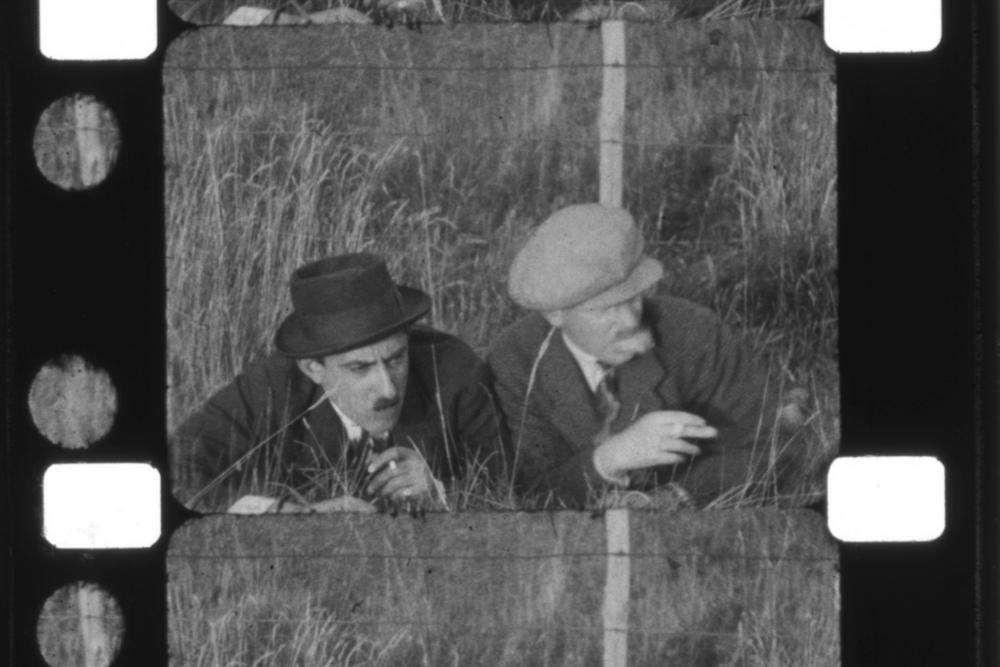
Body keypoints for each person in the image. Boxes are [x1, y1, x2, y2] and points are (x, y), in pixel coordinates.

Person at [487, 204, 807, 508]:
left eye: (634, 298)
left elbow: (773, 447)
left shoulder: (694, 334)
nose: (630, 320)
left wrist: (674, 498)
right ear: (555, 314)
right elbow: (526, 490)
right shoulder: (514, 364)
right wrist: (607, 460)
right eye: (605, 309)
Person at [172, 253, 502, 513]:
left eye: (396, 359)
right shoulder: (271, 389)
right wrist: (291, 515)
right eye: (360, 368)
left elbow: (511, 484)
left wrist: (440, 493)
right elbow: (173, 472)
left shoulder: (454, 371)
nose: (388, 389)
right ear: (314, 368)